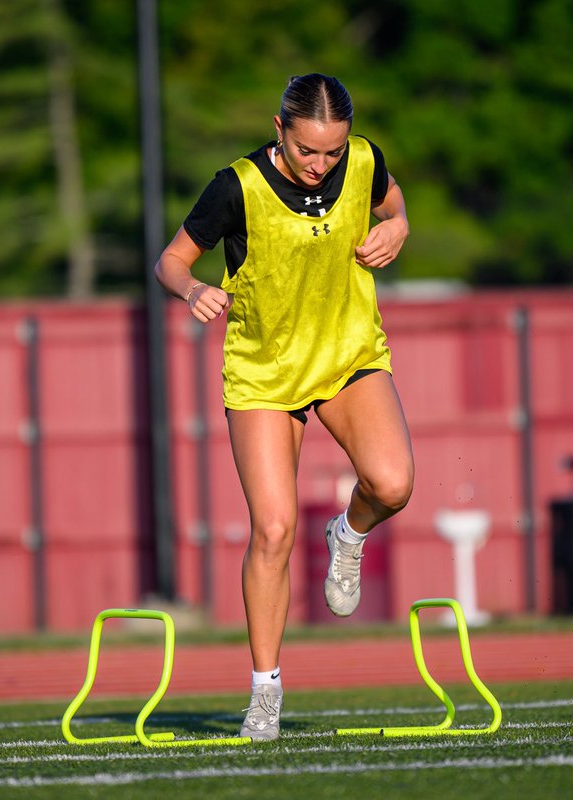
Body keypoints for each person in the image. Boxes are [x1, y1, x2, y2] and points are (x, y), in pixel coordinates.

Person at [154, 73, 414, 742]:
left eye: (333, 151)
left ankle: (347, 537)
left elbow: (391, 200)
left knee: (393, 484)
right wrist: (190, 291)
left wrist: (398, 225)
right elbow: (171, 261)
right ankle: (264, 691)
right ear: (280, 131)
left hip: (348, 353)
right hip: (265, 373)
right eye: (307, 151)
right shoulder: (235, 186)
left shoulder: (364, 159)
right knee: (272, 530)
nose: (321, 164)